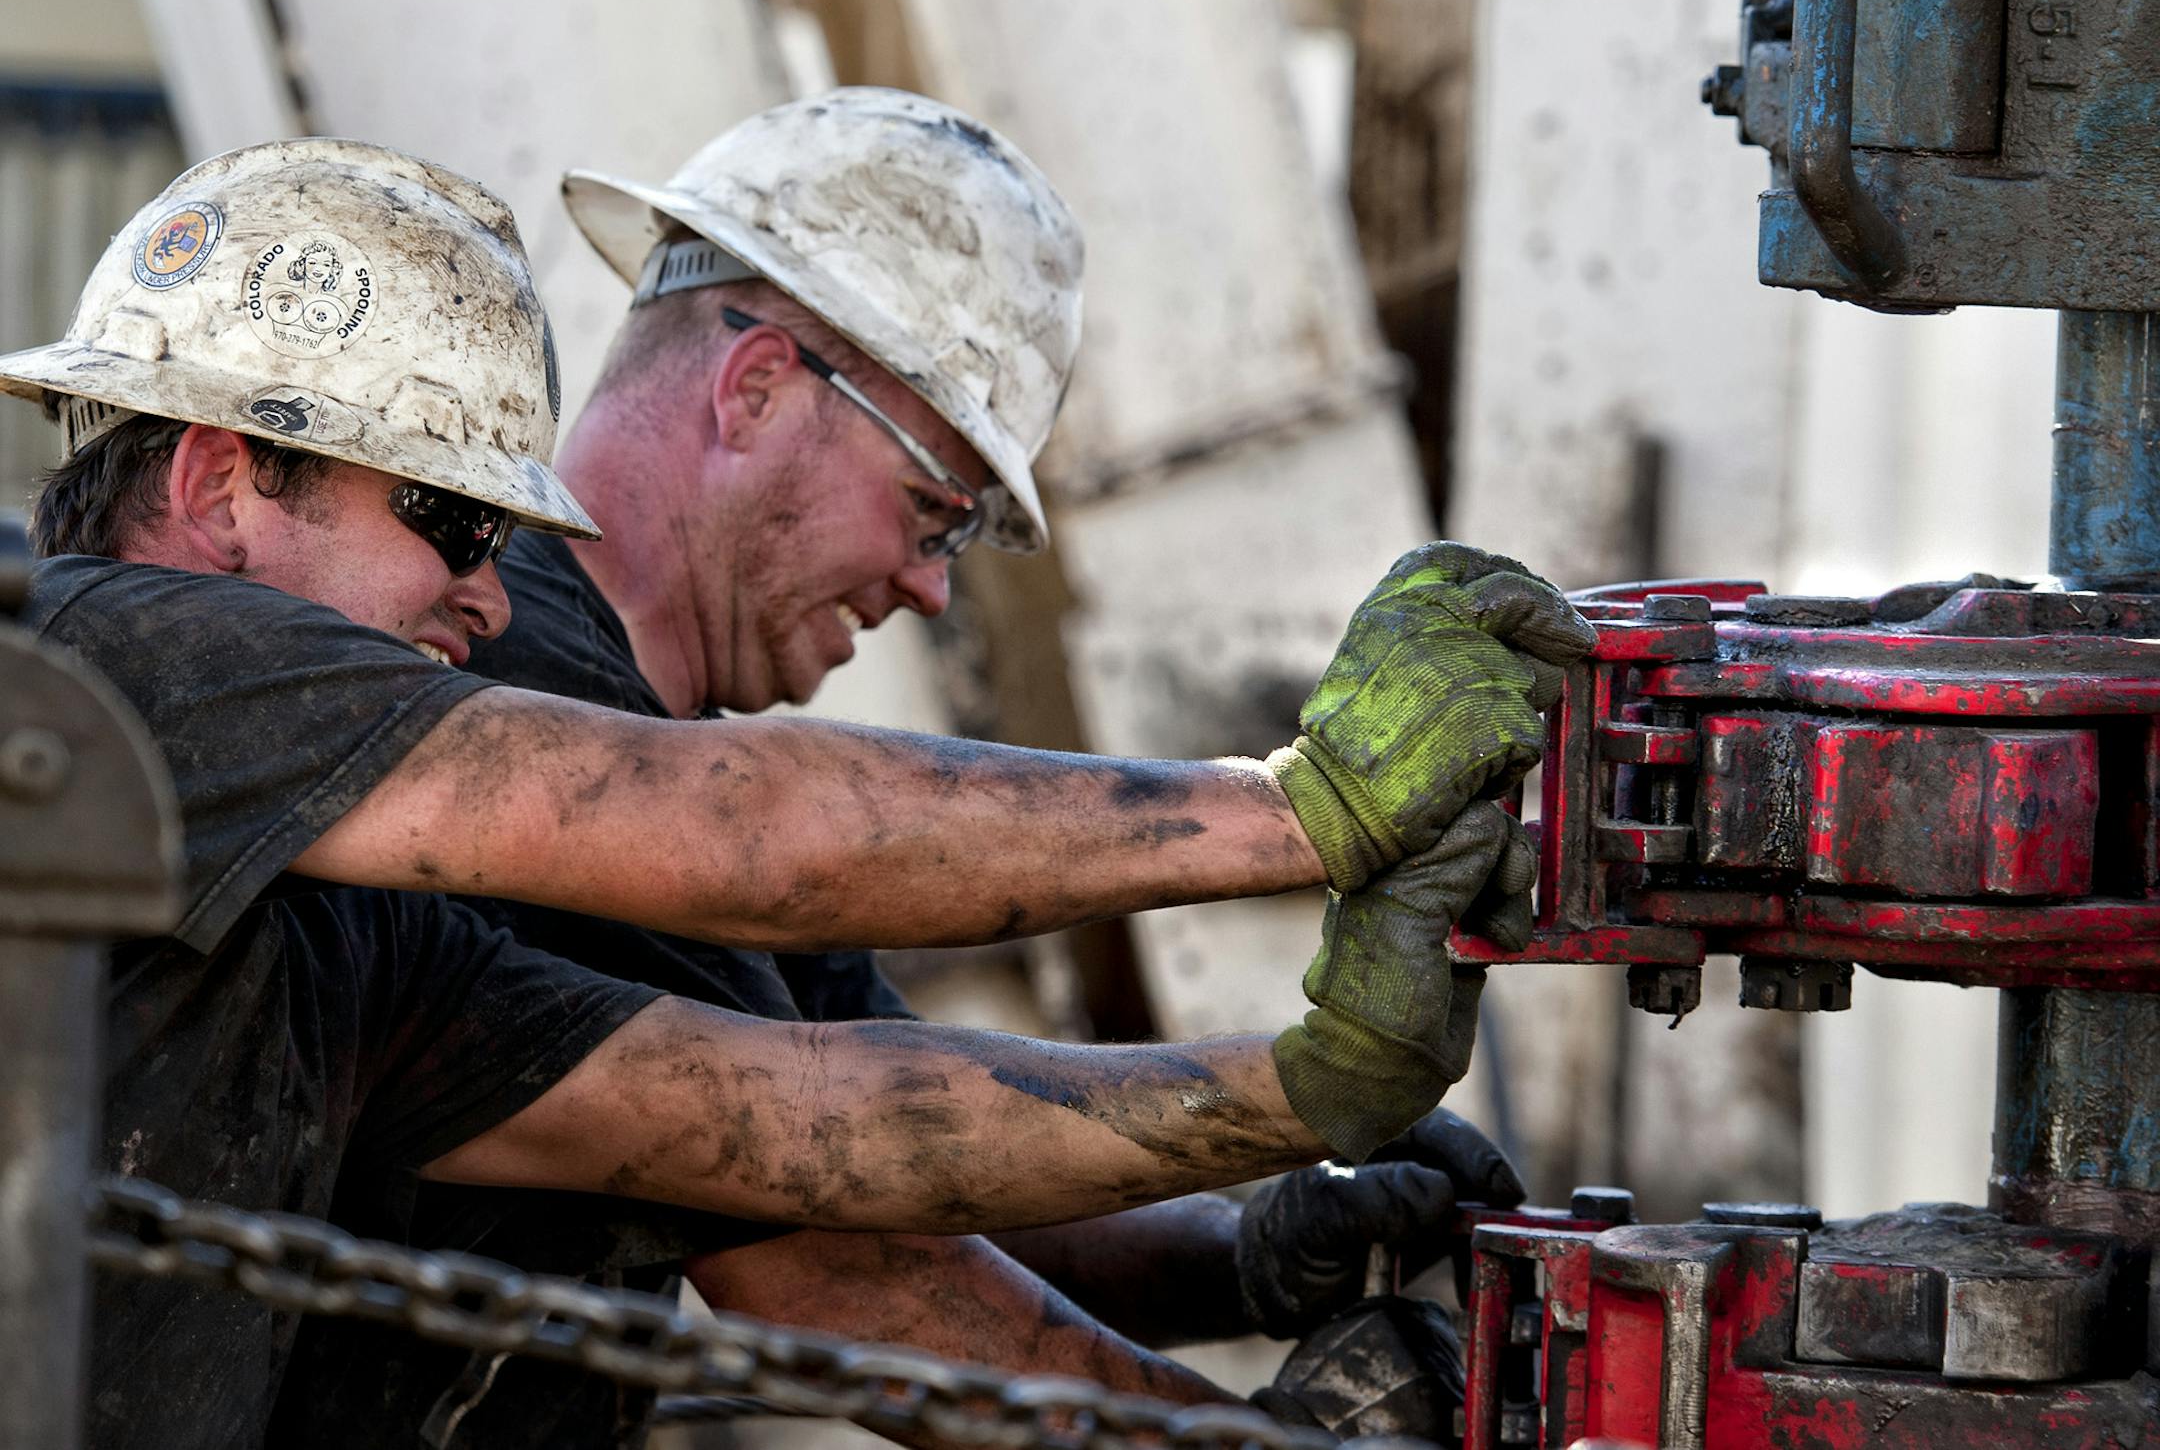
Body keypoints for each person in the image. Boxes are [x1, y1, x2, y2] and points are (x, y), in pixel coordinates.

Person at [5, 136, 1588, 1448]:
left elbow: (801, 1117)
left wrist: (1300, 1102)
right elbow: (741, 853)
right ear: (221, 482)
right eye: (451, 521)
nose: (487, 601)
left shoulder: (354, 933)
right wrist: (1298, 813)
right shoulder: (113, 661)